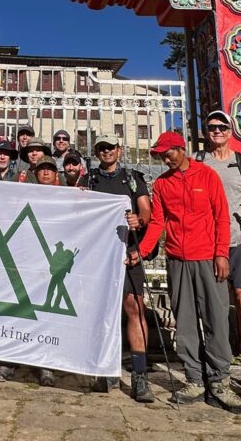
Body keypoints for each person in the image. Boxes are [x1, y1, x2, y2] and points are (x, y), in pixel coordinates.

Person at [133, 132, 241, 415]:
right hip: (177, 260)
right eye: (161, 155)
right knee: (184, 321)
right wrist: (142, 251)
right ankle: (194, 380)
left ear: (181, 148)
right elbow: (158, 221)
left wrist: (221, 254)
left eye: (168, 153)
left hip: (208, 258)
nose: (165, 159)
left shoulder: (207, 175)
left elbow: (221, 217)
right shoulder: (162, 183)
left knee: (215, 319)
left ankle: (219, 382)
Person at [198, 110, 241, 404]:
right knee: (211, 306)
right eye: (212, 127)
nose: (217, 131)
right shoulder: (197, 161)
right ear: (206, 131)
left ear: (230, 131)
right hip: (208, 241)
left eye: (222, 126)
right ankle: (216, 371)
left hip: (239, 239)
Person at [80, 135, 154, 402]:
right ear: (96, 152)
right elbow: (79, 210)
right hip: (99, 254)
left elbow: (146, 211)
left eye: (110, 147)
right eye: (101, 148)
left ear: (119, 151)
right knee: (98, 311)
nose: (106, 151)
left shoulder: (133, 178)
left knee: (134, 308)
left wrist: (139, 221)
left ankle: (140, 376)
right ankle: (102, 370)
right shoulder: (89, 179)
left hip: (127, 251)